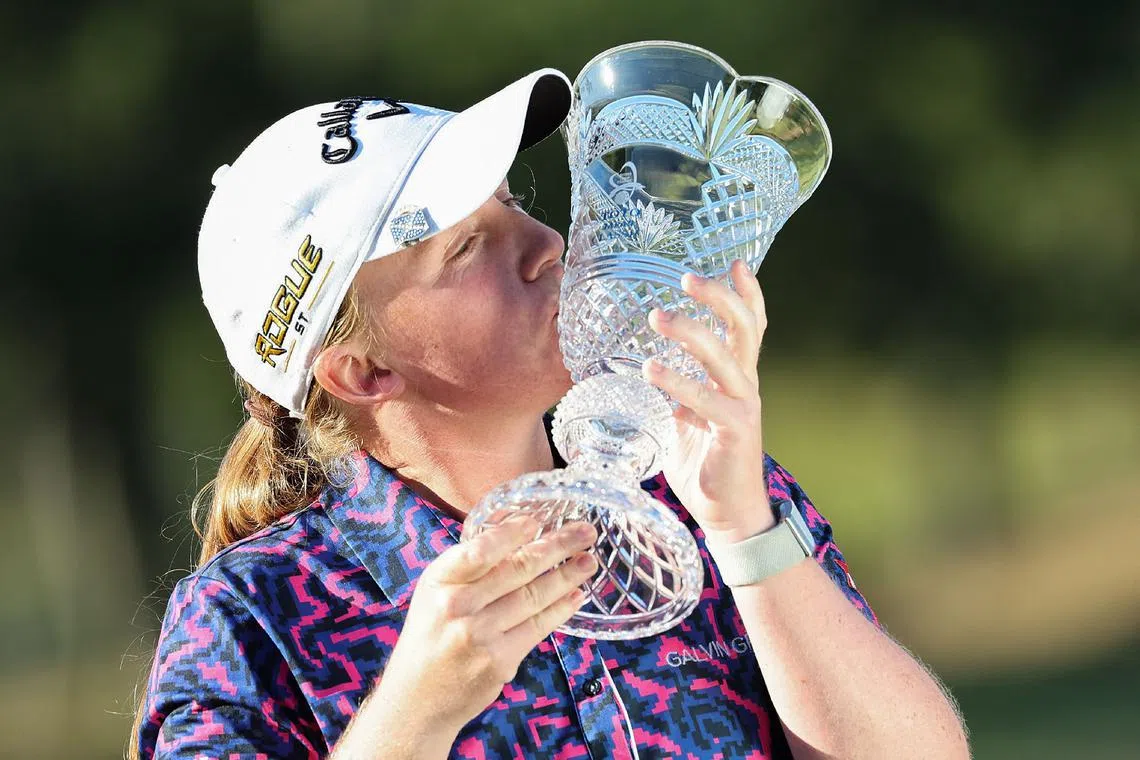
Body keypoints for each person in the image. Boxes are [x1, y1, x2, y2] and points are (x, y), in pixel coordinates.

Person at [132, 67, 969, 759]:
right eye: (463, 248)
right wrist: (416, 712)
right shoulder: (252, 617)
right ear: (360, 370)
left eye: (510, 202)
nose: (545, 245)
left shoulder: (703, 496)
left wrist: (744, 524)